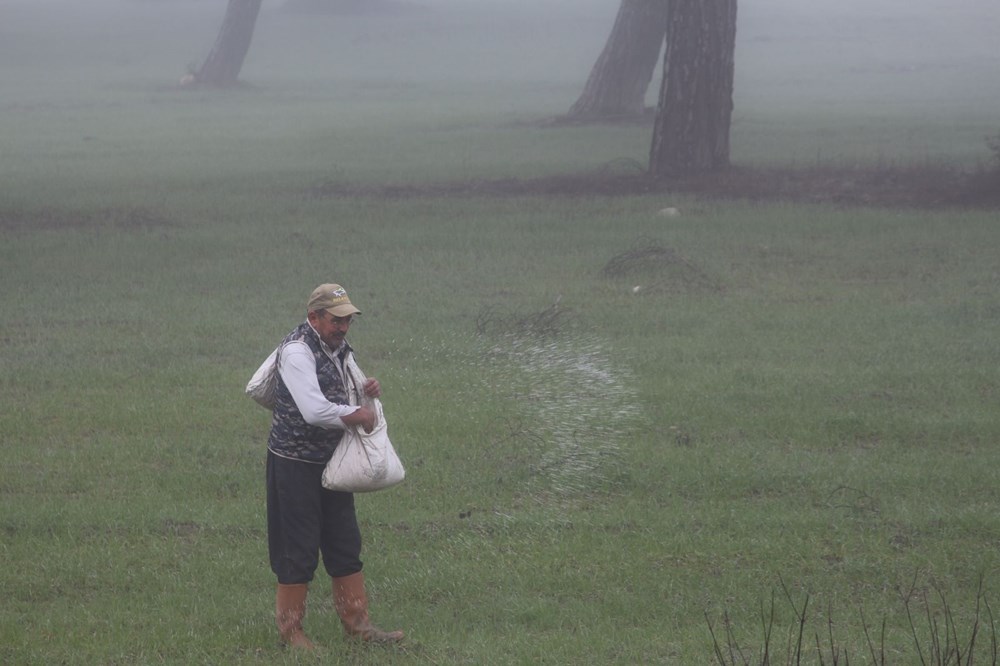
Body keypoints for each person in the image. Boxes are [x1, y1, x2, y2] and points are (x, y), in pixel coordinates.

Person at [266, 283, 404, 648]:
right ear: (313, 317)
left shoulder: (339, 348)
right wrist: (356, 413)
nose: (343, 327)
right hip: (294, 465)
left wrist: (366, 391)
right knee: (298, 549)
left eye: (347, 320)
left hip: (334, 463)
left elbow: (348, 391)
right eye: (336, 320)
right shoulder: (297, 352)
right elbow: (313, 410)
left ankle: (360, 627)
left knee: (345, 543)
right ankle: (291, 633)